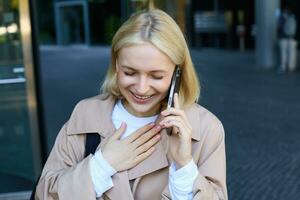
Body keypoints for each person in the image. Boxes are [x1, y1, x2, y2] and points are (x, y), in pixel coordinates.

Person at [35, 9, 227, 200]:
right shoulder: (85, 115)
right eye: (130, 72)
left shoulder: (206, 129)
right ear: (116, 65)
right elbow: (44, 195)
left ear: (177, 73)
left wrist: (184, 166)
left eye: (156, 76)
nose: (142, 89)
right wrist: (102, 165)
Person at [278, 5, 298, 72]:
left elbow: (279, 27)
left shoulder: (282, 18)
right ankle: (291, 67)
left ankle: (283, 67)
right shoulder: (293, 18)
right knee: (292, 53)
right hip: (292, 38)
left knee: (284, 53)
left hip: (283, 38)